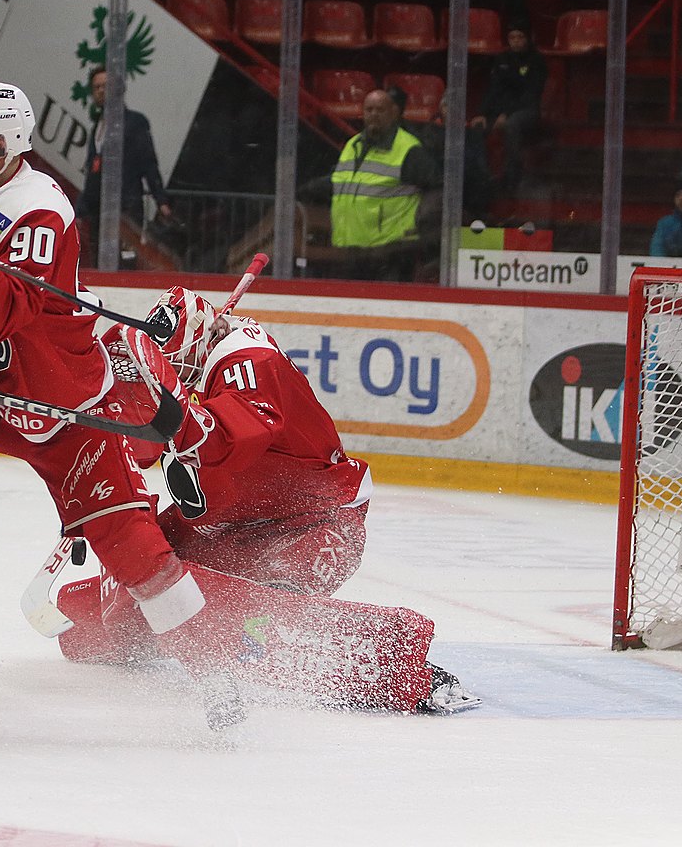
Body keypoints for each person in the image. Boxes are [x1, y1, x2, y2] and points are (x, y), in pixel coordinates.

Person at [0, 82, 429, 728]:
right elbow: (165, 453)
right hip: (235, 516)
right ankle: (202, 633)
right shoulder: (191, 365)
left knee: (225, 586)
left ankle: (265, 656)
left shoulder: (246, 360)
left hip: (313, 520)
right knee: (126, 591)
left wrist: (162, 410)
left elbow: (222, 447)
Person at [47, 288, 479, 715]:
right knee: (138, 581)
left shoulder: (248, 360)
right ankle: (107, 621)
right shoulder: (207, 377)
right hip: (241, 527)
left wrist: (171, 413)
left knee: (266, 615)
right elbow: (151, 455)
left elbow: (231, 435)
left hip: (317, 526)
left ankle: (401, 671)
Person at [323, 87, 440, 281]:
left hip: (391, 251)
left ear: (394, 113)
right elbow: (342, 182)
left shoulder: (409, 149)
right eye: (369, 110)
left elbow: (436, 187)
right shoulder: (353, 145)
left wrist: (422, 223)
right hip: (352, 248)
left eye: (380, 110)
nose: (374, 115)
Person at [76, 65, 173, 251]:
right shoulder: (97, 126)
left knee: (124, 260)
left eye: (106, 85)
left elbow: (148, 163)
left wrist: (161, 200)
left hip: (126, 207)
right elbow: (92, 173)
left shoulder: (134, 123)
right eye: (97, 87)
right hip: (99, 209)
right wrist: (80, 210)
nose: (101, 91)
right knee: (99, 260)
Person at [469, 20, 546, 194]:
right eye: (512, 37)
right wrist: (482, 113)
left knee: (512, 125)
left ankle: (512, 177)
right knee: (476, 126)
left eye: (520, 37)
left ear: (528, 38)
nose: (516, 41)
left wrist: (506, 114)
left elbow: (531, 94)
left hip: (527, 110)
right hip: (500, 111)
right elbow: (492, 89)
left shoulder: (537, 60)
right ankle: (482, 177)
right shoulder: (502, 59)